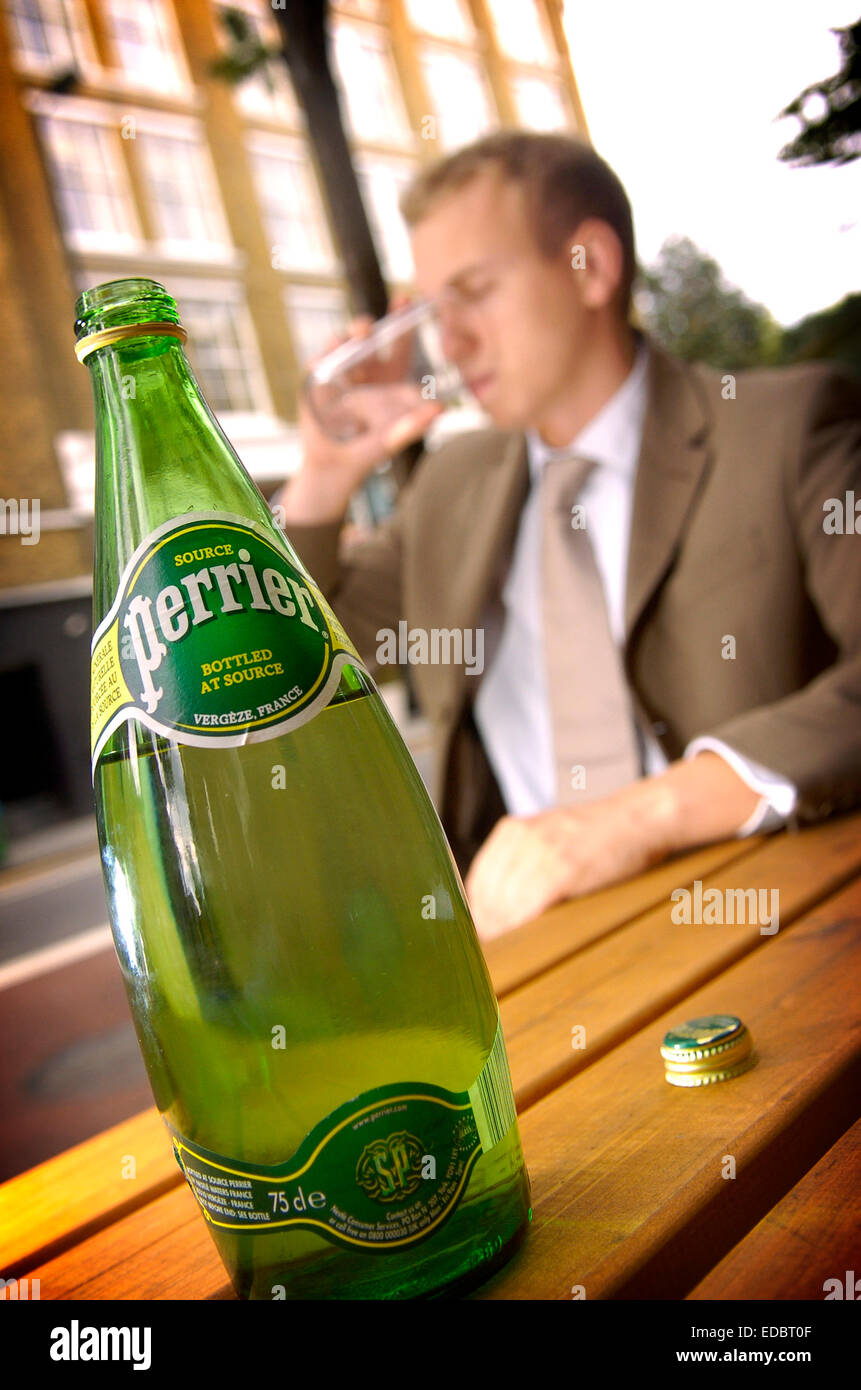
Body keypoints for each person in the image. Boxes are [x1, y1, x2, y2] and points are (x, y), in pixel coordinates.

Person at [273, 131, 861, 939]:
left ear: (590, 265)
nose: (451, 341)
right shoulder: (451, 486)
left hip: (757, 915)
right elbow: (283, 661)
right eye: (433, 311)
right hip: (531, 946)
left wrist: (642, 816)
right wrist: (324, 476)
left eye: (472, 292)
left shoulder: (785, 428)